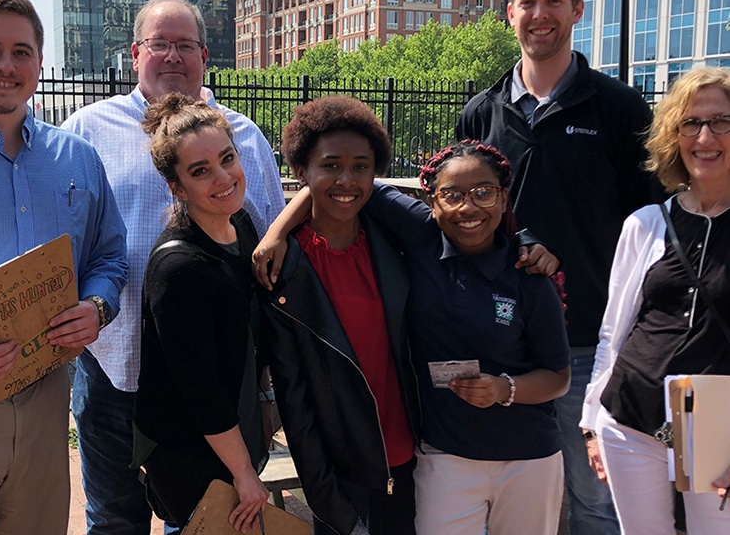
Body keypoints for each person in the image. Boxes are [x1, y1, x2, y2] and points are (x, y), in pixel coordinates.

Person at [61, 0, 285, 534]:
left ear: (205, 56)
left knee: (200, 520)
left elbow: (274, 245)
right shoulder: (86, 130)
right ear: (135, 53)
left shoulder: (243, 135)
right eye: (160, 43)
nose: (172, 56)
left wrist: (269, 370)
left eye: (186, 44)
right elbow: (59, 238)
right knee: (113, 518)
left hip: (209, 378)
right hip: (111, 367)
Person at [456, 0, 657, 534]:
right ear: (508, 14)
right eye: (527, 3)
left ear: (578, 11)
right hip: (498, 339)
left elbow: (647, 229)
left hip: (586, 342)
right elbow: (457, 214)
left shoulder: (619, 109)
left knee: (595, 502)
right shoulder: (480, 113)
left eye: (552, 2)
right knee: (508, 497)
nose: (539, 15)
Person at [0, 0, 127, 535]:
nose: (5, 65)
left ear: (39, 61)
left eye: (21, 51)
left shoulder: (75, 157)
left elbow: (109, 253)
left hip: (44, 395)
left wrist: (98, 306)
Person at [361, 141, 570, 534]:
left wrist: (503, 388)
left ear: (504, 198)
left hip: (527, 458)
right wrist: (277, 234)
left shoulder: (528, 276)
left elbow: (558, 376)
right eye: (452, 195)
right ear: (432, 201)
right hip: (446, 456)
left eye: (483, 193)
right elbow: (345, 179)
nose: (468, 208)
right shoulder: (423, 238)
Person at [256, 95, 421, 535]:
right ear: (301, 172)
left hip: (413, 457)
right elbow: (294, 398)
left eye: (361, 166)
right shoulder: (283, 271)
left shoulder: (396, 244)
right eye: (330, 165)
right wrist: (328, 501)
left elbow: (468, 221)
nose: (346, 179)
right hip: (343, 470)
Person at [581, 67, 730, 534]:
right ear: (674, 134)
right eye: (691, 123)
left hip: (714, 422)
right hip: (629, 415)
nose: (704, 137)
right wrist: (591, 423)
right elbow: (615, 332)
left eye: (721, 121)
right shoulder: (647, 223)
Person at [134, 93, 269, 530]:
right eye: (200, 171)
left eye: (227, 158)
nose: (223, 177)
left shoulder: (241, 225)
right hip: (192, 454)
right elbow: (201, 390)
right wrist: (244, 472)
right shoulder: (180, 268)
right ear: (177, 186)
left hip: (232, 436)